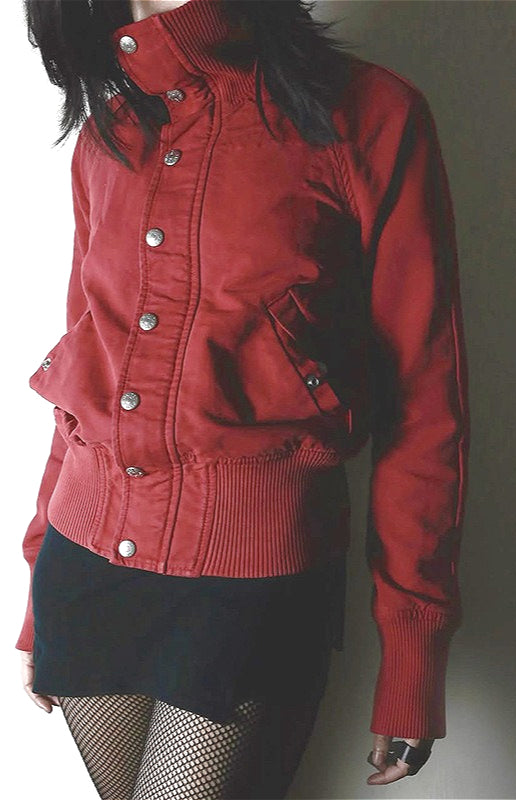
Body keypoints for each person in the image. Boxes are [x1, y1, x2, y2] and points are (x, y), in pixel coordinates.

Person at [15, 0, 470, 796]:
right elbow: (86, 378)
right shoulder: (106, 133)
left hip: (251, 583)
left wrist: (413, 645)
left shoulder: (370, 114)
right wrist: (34, 596)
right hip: (84, 567)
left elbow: (425, 401)